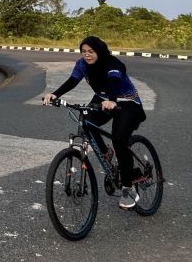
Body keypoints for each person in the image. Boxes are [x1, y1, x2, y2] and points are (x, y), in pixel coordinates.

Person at [42, 36, 147, 209]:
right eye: (84, 52)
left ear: (99, 51)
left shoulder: (112, 64)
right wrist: (55, 94)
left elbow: (114, 81)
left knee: (119, 139)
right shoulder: (82, 64)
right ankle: (106, 153)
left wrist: (112, 101)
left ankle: (129, 187)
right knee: (86, 121)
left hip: (126, 102)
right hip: (103, 98)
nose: (87, 55)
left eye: (91, 51)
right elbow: (72, 81)